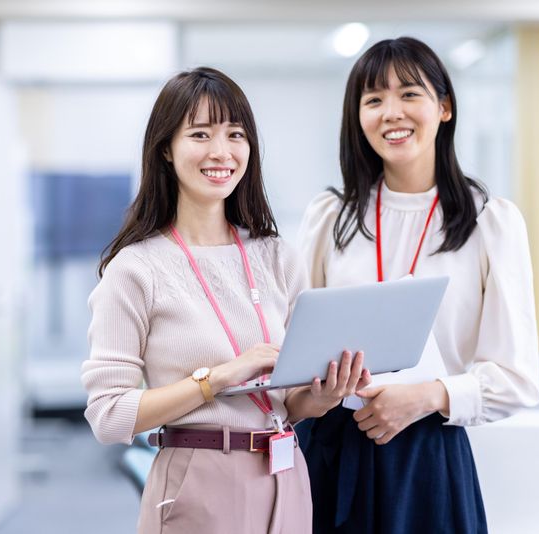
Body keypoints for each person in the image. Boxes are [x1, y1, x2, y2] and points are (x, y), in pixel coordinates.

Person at [81, 66, 370, 534]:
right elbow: (108, 417)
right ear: (165, 151)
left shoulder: (277, 256)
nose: (221, 151)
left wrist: (320, 397)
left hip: (286, 472)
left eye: (236, 134)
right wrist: (216, 379)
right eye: (200, 134)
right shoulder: (135, 269)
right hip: (199, 479)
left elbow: (286, 401)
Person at [296, 37, 539, 534]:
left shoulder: (490, 221)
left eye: (409, 94)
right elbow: (293, 347)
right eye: (373, 100)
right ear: (357, 116)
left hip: (429, 456)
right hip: (332, 449)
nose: (392, 112)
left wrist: (428, 396)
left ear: (444, 107)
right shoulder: (331, 217)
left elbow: (517, 379)